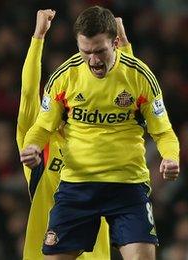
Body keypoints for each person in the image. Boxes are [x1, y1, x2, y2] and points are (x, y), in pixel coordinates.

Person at [20, 6, 180, 259]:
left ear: (115, 42)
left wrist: (171, 157)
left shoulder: (140, 77)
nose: (93, 60)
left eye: (100, 51)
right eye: (86, 52)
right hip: (78, 186)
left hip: (127, 185)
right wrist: (33, 146)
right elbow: (41, 126)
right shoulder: (65, 77)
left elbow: (164, 132)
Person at [18, 9, 134, 260]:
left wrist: (123, 44)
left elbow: (126, 91)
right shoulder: (40, 146)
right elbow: (28, 94)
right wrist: (38, 37)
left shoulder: (100, 139)